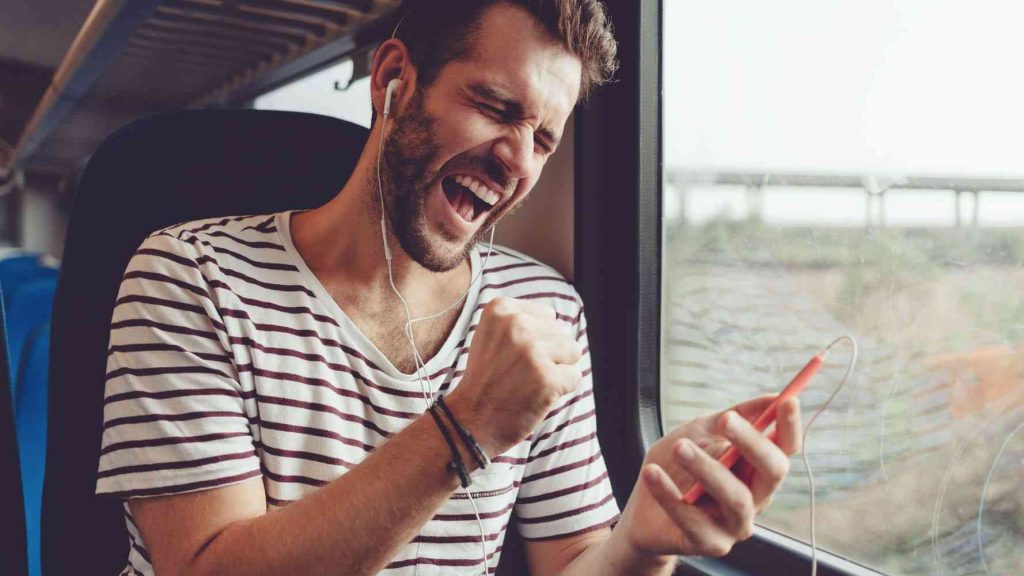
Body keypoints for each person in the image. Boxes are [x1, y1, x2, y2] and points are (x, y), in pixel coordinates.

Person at [96, 1, 803, 574]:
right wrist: (465, 429)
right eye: (496, 107)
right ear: (393, 80)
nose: (517, 162)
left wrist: (643, 543)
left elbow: (575, 566)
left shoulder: (544, 313)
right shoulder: (188, 277)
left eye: (544, 139)